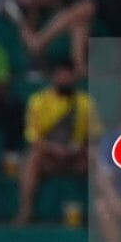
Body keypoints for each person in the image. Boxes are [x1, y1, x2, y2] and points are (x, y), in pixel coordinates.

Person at [18, 57, 93, 225]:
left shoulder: (85, 103)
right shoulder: (38, 101)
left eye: (69, 75)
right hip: (49, 157)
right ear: (53, 77)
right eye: (61, 75)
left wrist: (80, 148)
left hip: (76, 158)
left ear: (75, 77)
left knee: (96, 158)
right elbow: (32, 137)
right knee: (32, 158)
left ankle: (100, 213)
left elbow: (95, 136)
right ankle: (26, 210)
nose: (65, 79)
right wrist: (54, 149)